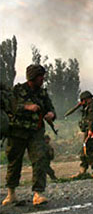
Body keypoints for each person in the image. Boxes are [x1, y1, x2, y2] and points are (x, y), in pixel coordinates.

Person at [3, 64, 55, 206]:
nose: (42, 79)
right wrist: (27, 107)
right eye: (40, 76)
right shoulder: (18, 90)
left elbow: (50, 109)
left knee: (40, 159)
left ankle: (38, 194)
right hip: (17, 132)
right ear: (32, 77)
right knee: (14, 162)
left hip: (36, 132)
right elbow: (11, 106)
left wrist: (51, 114)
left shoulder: (42, 93)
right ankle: (11, 194)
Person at [71, 91, 93, 179]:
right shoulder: (88, 106)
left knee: (89, 150)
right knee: (84, 150)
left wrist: (90, 130)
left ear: (85, 99)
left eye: (82, 100)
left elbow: (92, 119)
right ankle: (82, 170)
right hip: (89, 130)